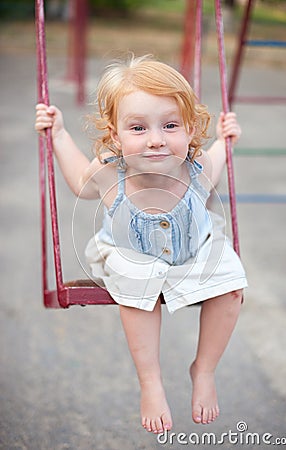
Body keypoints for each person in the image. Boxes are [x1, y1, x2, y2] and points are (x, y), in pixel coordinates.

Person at [35, 55, 247, 434]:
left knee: (231, 282)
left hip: (193, 253)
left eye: (170, 125)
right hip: (129, 256)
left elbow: (217, 156)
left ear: (189, 129)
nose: (156, 139)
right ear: (115, 136)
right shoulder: (106, 172)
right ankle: (151, 384)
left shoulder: (195, 168)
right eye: (138, 128)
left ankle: (205, 369)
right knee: (137, 284)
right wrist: (59, 135)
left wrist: (225, 140)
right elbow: (75, 183)